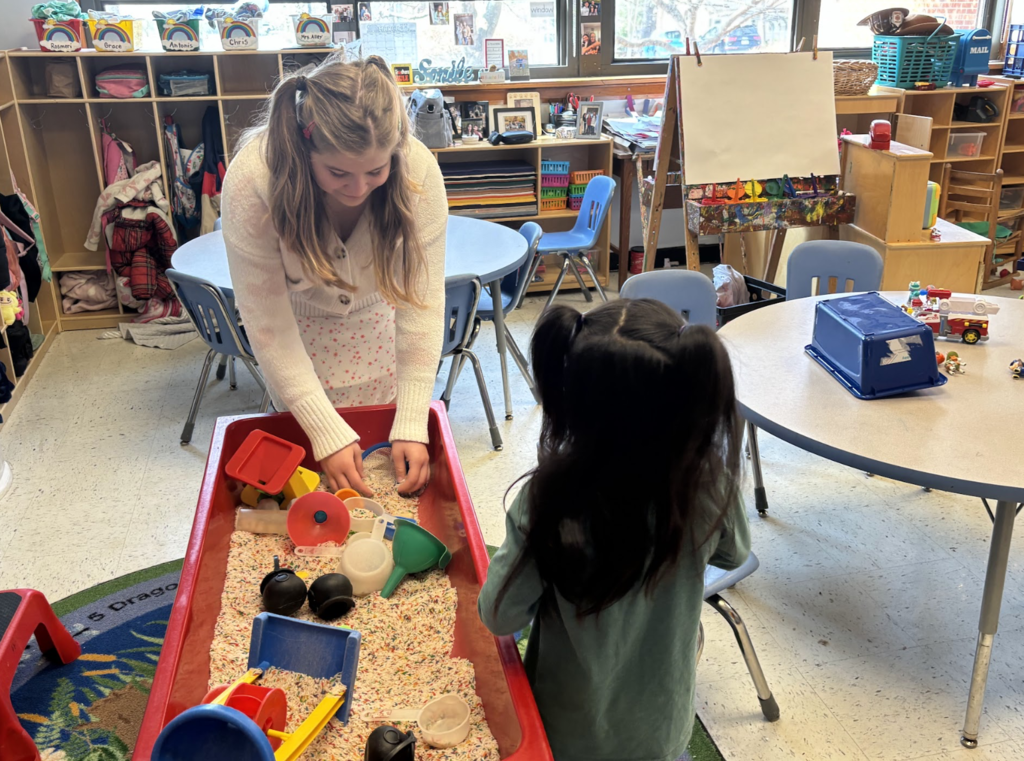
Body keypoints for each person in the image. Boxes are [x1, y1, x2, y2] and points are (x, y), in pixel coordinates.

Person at [478, 299, 750, 761]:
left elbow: (499, 614)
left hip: (566, 735)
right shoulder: (707, 485)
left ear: (573, 401)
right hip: (663, 731)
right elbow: (735, 553)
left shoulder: (548, 502)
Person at [221, 54, 446, 497]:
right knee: (311, 489)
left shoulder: (418, 169)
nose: (358, 188)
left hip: (382, 349)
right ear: (305, 148)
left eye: (376, 171)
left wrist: (413, 416)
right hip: (298, 355)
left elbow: (421, 303)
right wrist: (323, 428)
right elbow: (267, 326)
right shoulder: (252, 179)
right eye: (338, 172)